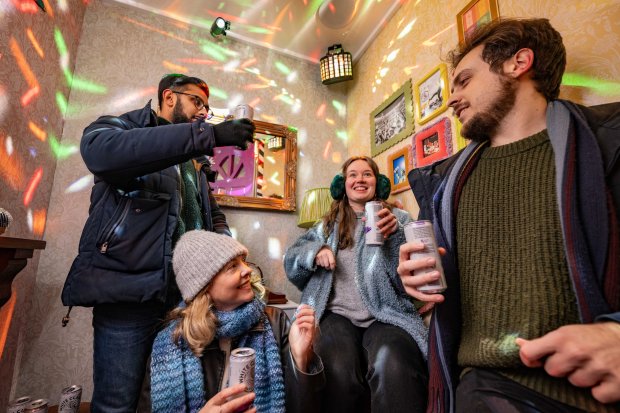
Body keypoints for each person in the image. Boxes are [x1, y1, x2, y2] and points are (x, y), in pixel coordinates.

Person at [397, 18, 620, 413]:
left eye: (464, 81)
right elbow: (433, 292)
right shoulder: (443, 184)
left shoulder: (608, 145)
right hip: (477, 390)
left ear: (519, 63)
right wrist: (417, 286)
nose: (451, 100)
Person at [61, 74, 255, 412]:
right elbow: (100, 153)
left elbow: (212, 215)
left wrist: (226, 249)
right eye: (197, 102)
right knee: (116, 404)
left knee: (168, 399)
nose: (203, 113)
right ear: (169, 96)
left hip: (182, 299)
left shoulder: (195, 163)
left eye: (207, 109)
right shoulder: (123, 127)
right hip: (129, 296)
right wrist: (208, 135)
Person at [284, 156, 429, 413]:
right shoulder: (326, 226)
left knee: (393, 363)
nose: (359, 179)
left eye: (367, 174)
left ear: (378, 183)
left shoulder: (399, 218)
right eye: (353, 174)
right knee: (337, 366)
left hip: (386, 314)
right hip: (336, 314)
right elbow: (292, 259)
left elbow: (416, 271)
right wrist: (315, 251)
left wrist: (395, 236)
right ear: (343, 184)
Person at [138, 230, 324, 413]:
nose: (247, 270)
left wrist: (301, 359)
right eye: (232, 266)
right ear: (203, 286)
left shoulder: (276, 323)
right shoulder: (172, 343)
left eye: (243, 261)